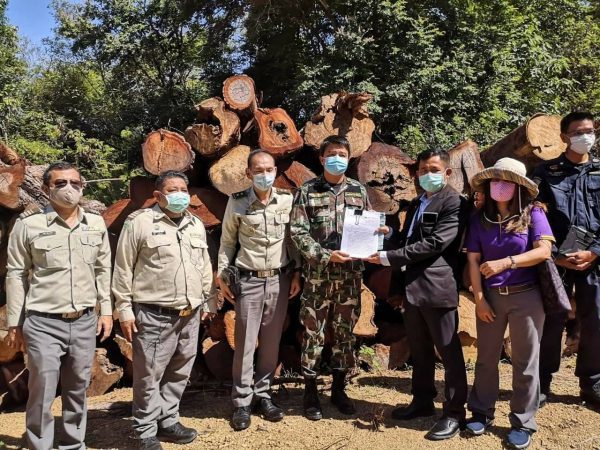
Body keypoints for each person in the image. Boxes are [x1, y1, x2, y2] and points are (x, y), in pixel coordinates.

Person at [5, 161, 113, 450]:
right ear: (46, 188)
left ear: (82, 187)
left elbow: (103, 269)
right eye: (60, 183)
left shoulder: (95, 224)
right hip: (43, 322)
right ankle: (40, 444)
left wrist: (106, 310)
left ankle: (73, 444)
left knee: (78, 387)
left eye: (75, 183)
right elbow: (16, 274)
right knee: (42, 388)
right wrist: (15, 322)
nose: (69, 189)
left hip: (84, 321)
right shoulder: (29, 225)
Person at [365, 148, 468, 441]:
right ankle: (422, 400)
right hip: (412, 288)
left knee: (448, 352)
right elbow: (409, 239)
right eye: (423, 170)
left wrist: (388, 258)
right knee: (420, 351)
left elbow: (436, 243)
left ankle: (454, 413)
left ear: (447, 172)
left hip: (437, 287)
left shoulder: (455, 203)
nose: (427, 175)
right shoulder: (417, 202)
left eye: (434, 170)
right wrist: (389, 235)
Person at [112, 171, 216, 450]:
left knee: (180, 371)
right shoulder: (140, 222)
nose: (180, 194)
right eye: (173, 190)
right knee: (149, 375)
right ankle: (145, 430)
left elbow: (204, 265)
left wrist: (209, 300)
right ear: (158, 195)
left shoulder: (195, 224)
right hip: (153, 313)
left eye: (183, 189)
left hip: (189, 312)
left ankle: (168, 421)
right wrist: (124, 309)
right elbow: (123, 267)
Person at [290, 135, 389, 421]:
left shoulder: (358, 190)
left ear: (349, 158)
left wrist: (378, 236)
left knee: (344, 334)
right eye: (332, 154)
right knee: (313, 333)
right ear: (322, 158)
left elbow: (368, 226)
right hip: (318, 277)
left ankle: (338, 389)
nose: (337, 159)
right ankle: (310, 392)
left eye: (342, 154)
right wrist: (325, 255)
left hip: (349, 278)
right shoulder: (307, 190)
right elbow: (297, 232)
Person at [465, 158, 554, 449]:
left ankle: (523, 421)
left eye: (506, 180)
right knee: (486, 358)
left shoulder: (533, 213)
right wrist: (479, 299)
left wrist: (507, 262)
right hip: (491, 297)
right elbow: (473, 260)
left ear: (518, 186)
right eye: (495, 179)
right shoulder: (480, 219)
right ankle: (481, 412)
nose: (499, 185)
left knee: (525, 361)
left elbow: (543, 251)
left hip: (527, 296)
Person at [217, 149, 302, 431]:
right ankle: (242, 402)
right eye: (258, 170)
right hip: (249, 281)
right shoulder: (237, 202)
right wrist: (222, 275)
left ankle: (263, 395)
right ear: (248, 173)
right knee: (245, 344)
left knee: (271, 342)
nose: (265, 175)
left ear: (275, 171)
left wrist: (296, 272)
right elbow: (228, 242)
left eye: (269, 169)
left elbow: (292, 240)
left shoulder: (286, 200)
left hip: (279, 280)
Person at [532, 111, 600, 408]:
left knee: (596, 318)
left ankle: (592, 383)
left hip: (594, 259)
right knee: (550, 319)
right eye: (578, 132)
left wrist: (595, 251)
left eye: (590, 131)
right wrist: (553, 253)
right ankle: (541, 382)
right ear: (563, 137)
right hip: (555, 260)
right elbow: (531, 215)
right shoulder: (545, 172)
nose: (586, 137)